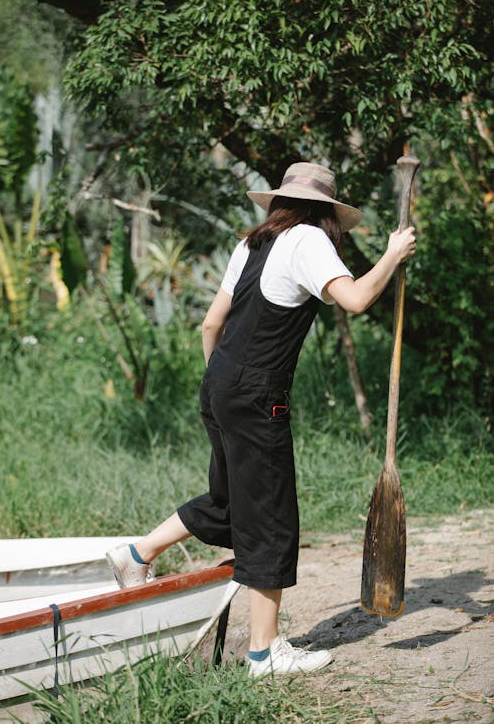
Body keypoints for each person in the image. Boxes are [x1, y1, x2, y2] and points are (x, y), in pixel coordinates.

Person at [106, 162, 417, 677]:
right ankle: (264, 653)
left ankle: (138, 553)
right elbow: (358, 300)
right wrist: (391, 254)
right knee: (269, 517)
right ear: (328, 214)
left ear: (279, 203)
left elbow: (211, 322)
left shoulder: (251, 244)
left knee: (233, 502)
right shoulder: (311, 241)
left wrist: (222, 384)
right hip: (255, 393)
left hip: (219, 382)